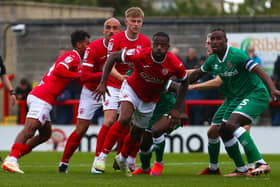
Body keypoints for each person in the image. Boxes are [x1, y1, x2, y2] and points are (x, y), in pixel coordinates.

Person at [188, 28, 280, 177]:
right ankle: (240, 169)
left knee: (231, 124)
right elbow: (196, 74)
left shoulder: (237, 55)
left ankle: (259, 162)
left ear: (226, 41)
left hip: (254, 94)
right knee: (221, 130)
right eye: (212, 40)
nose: (213, 43)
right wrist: (177, 82)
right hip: (234, 98)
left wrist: (273, 90)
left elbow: (259, 70)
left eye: (219, 39)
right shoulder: (212, 60)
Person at [94, 32, 188, 174]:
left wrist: (178, 109)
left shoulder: (174, 63)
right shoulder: (140, 54)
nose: (158, 48)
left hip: (150, 100)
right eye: (156, 44)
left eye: (162, 46)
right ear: (152, 44)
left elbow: (184, 82)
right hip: (131, 89)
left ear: (168, 47)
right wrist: (103, 82)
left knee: (136, 133)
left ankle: (123, 158)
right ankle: (102, 157)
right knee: (124, 118)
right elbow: (113, 57)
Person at [1, 30, 90, 174]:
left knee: (45, 134)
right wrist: (77, 75)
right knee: (30, 129)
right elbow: (59, 71)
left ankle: (12, 157)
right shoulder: (72, 56)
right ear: (79, 45)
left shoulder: (75, 59)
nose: (89, 47)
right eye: (87, 44)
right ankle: (12, 159)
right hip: (42, 97)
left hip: (43, 98)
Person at [91, 7, 151, 173]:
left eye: (139, 22)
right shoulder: (116, 39)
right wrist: (122, 78)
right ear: (127, 22)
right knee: (110, 121)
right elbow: (109, 65)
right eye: (133, 21)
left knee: (133, 125)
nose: (136, 25)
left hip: (134, 86)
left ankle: (124, 159)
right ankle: (98, 159)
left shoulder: (146, 42)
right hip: (114, 84)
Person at [58, 17, 121, 174]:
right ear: (103, 30)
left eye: (115, 28)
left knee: (117, 122)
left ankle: (101, 162)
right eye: (108, 27)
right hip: (92, 91)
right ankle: (64, 162)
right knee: (81, 128)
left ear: (120, 31)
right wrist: (104, 76)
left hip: (114, 89)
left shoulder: (124, 47)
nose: (111, 31)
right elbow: (84, 76)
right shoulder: (93, 47)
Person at [131, 79, 188, 176]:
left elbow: (179, 87)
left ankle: (159, 163)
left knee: (156, 130)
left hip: (169, 109)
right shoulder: (130, 77)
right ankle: (145, 169)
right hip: (151, 113)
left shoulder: (154, 76)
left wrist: (180, 111)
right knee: (144, 144)